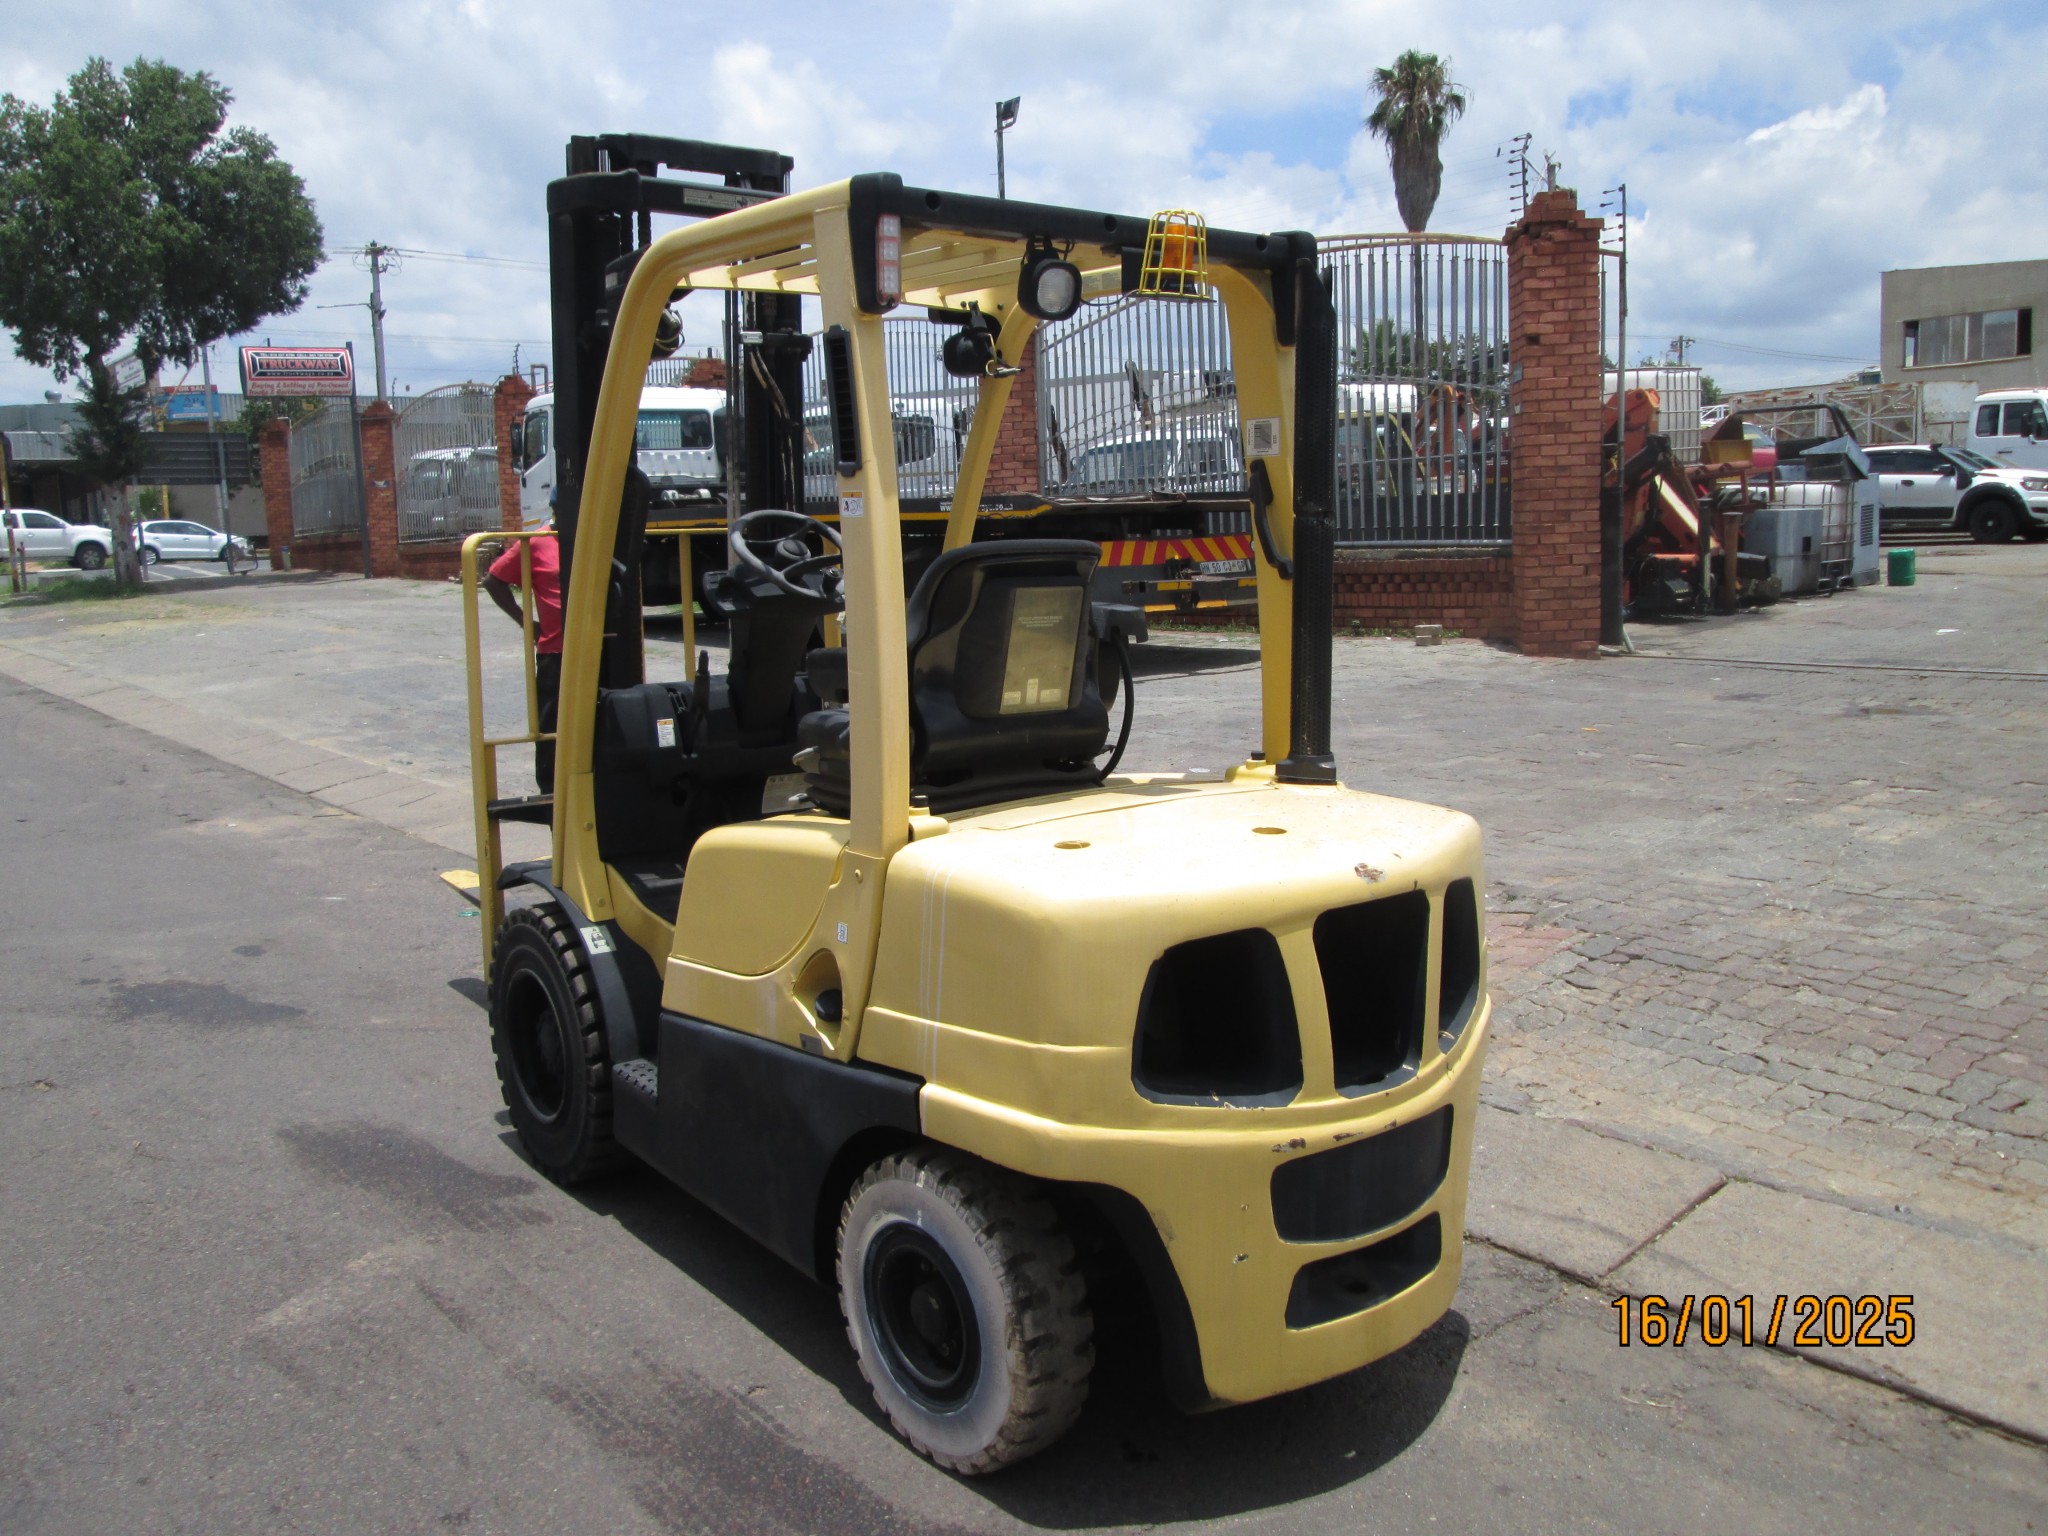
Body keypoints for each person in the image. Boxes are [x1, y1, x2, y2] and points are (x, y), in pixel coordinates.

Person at [482, 521, 563, 796]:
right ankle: (551, 796)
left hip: (603, 649)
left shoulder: (594, 536)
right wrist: (526, 622)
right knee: (552, 732)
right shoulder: (536, 541)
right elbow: (493, 580)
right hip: (557, 654)